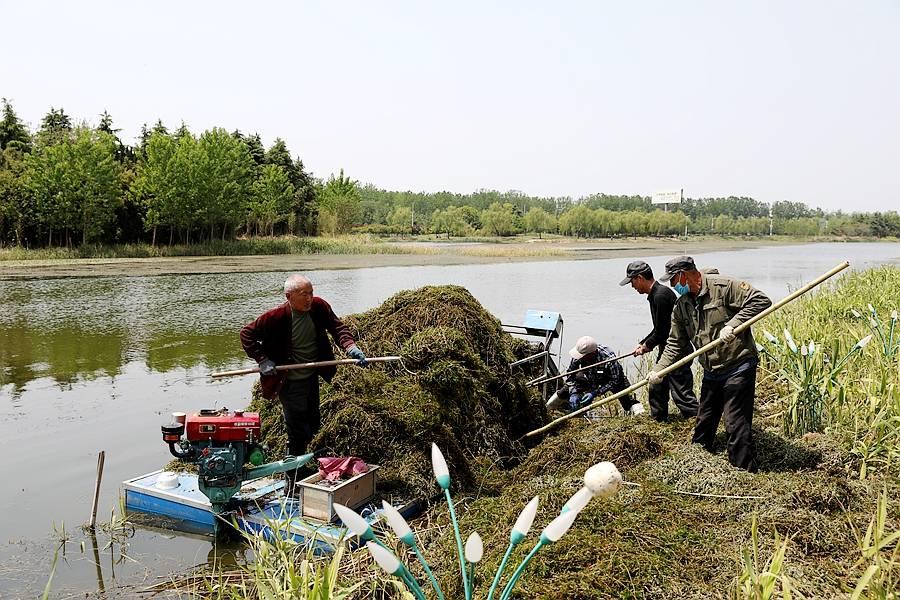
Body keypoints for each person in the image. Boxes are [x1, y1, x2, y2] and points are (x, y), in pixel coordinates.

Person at [240, 274, 367, 490]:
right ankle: (293, 479)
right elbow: (246, 334)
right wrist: (263, 360)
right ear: (289, 296)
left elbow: (338, 328)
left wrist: (350, 346)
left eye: (311, 292)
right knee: (297, 430)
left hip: (310, 377)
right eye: (304, 294)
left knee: (313, 423)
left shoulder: (319, 308)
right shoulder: (276, 317)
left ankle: (302, 465)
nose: (309, 298)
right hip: (288, 382)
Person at [648, 256, 772, 472]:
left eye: (673, 280)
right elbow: (675, 343)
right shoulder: (682, 306)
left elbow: (761, 301)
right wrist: (659, 370)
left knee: (735, 421)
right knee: (705, 419)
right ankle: (696, 462)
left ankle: (743, 470)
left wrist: (734, 325)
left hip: (738, 364)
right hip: (712, 370)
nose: (672, 286)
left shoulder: (724, 287)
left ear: (684, 275)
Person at [620, 260, 699, 422]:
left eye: (632, 282)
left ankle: (697, 419)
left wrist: (647, 346)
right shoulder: (656, 294)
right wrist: (643, 343)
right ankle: (658, 419)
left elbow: (663, 332)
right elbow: (658, 327)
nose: (632, 286)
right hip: (667, 347)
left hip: (677, 349)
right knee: (657, 385)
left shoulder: (661, 296)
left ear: (640, 278)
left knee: (681, 392)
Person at [549, 335, 644, 415]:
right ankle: (548, 409)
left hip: (609, 378)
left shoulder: (609, 358)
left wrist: (595, 393)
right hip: (589, 376)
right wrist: (573, 392)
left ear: (592, 354)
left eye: (583, 357)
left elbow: (615, 380)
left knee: (626, 397)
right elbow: (570, 375)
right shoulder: (579, 354)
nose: (580, 358)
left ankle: (639, 414)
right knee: (564, 391)